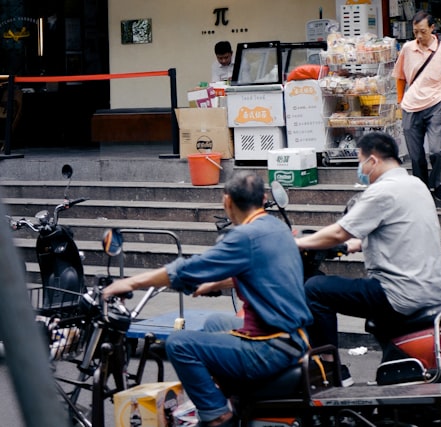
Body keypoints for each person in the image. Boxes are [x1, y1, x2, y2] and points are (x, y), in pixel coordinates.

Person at [102, 171, 313, 427]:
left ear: (227, 202)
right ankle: (231, 397)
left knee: (180, 343)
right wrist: (213, 284)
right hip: (294, 338)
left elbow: (186, 269)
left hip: (269, 349)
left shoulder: (244, 236)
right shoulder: (277, 228)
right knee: (214, 322)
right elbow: (258, 271)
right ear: (264, 198)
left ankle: (217, 415)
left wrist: (130, 282)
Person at [295, 131, 441, 386]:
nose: (360, 168)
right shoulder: (415, 185)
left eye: (360, 160)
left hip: (399, 293)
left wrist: (295, 243)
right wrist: (356, 243)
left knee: (314, 289)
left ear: (374, 160)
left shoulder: (383, 191)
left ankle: (330, 371)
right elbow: (396, 229)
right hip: (431, 289)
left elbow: (339, 231)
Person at [392, 11, 441, 201]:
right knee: (415, 157)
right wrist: (400, 101)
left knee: (438, 150)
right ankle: (422, 192)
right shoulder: (407, 48)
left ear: (432, 28)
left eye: (422, 31)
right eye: (415, 32)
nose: (419, 36)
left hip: (435, 102)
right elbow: (399, 76)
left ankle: (435, 181)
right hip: (410, 105)